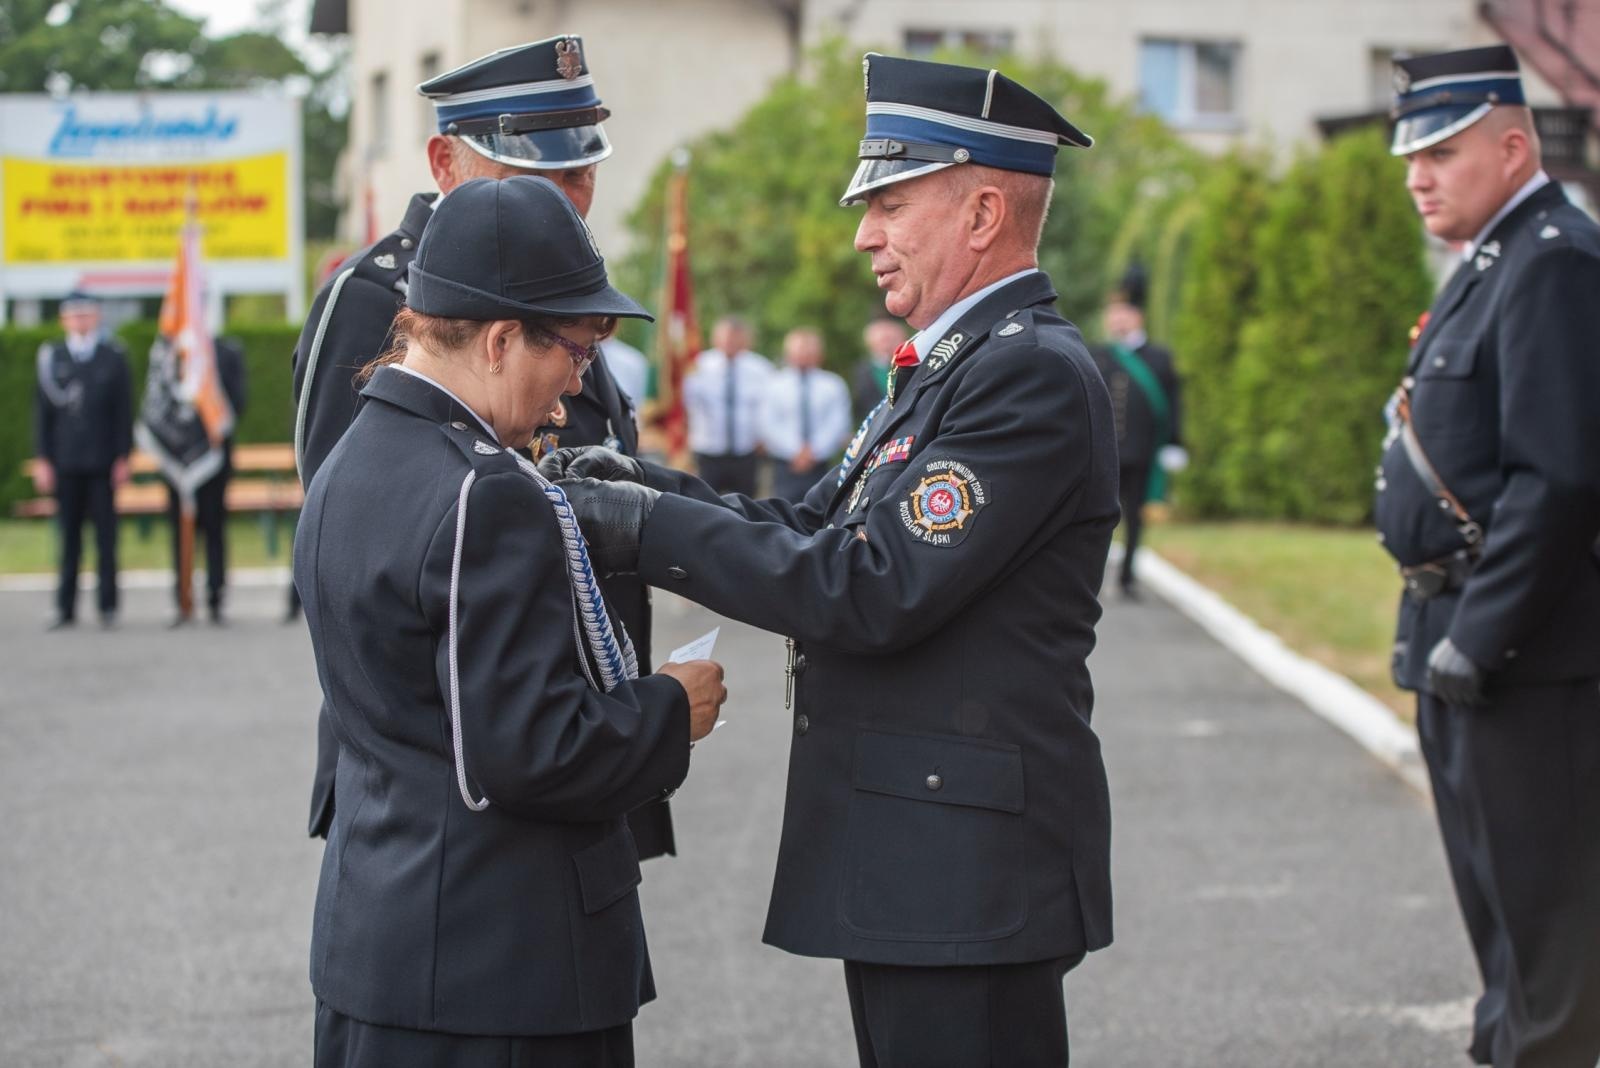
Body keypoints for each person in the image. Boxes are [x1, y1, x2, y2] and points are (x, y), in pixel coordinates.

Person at [555, 53, 1116, 1067]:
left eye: (891, 203)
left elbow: (869, 588)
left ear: (983, 213)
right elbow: (812, 523)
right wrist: (646, 487)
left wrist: (640, 531)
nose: (865, 234)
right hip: (927, 854)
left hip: (966, 868)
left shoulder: (1026, 376)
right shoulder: (950, 370)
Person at [294, 175, 725, 1067]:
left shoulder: (351, 459)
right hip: (504, 976)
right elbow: (531, 753)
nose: (578, 382)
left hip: (382, 948)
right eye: (573, 348)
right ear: (497, 340)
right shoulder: (486, 492)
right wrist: (668, 709)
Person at [291, 36, 676, 862]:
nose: (570, 201)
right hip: (451, 763)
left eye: (582, 174)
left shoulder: (561, 289)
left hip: (578, 713)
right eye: (539, 178)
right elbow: (360, 543)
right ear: (445, 162)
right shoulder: (378, 298)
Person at [1375, 45, 1600, 1068]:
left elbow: (1555, 478)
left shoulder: (1552, 257)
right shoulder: (1493, 261)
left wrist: (1482, 635)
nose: (1418, 174)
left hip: (1522, 656)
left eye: (1444, 152)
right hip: (1459, 640)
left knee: (1549, 936)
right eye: (1410, 155)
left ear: (1514, 147)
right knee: (1498, 922)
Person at [33, 291, 132, 630]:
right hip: (67, 463)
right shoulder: (52, 359)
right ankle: (65, 607)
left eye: (86, 314)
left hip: (103, 463)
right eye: (74, 315)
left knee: (106, 538)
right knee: (68, 539)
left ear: (97, 317)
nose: (80, 320)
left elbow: (123, 413)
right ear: (64, 320)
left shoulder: (112, 358)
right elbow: (42, 416)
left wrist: (123, 457)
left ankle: (107, 606)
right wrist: (43, 459)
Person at [1091, 265, 1184, 599]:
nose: (1117, 319)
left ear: (1139, 316)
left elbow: (1172, 404)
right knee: (1097, 518)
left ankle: (1128, 577)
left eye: (1125, 312)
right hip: (1104, 455)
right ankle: (1090, 578)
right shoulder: (1097, 355)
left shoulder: (1158, 358)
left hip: (1142, 453)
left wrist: (1174, 442)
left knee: (1135, 519)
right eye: (1113, 312)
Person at [162, 336, 247, 625]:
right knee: (179, 530)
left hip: (212, 454)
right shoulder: (169, 354)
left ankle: (215, 599)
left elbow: (239, 402)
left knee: (214, 529)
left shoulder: (225, 352)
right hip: (179, 455)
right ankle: (182, 600)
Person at [760, 327, 853, 502]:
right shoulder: (773, 384)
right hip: (785, 463)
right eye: (798, 350)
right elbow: (769, 423)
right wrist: (795, 451)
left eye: (808, 350)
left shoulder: (833, 384)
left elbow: (837, 424)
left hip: (821, 464)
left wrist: (813, 452)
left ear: (819, 354)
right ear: (788, 353)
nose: (803, 355)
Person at [681, 316, 770, 495]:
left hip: (746, 451)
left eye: (735, 336)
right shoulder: (698, 366)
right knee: (706, 502)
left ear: (746, 339)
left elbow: (768, 407)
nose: (730, 341)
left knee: (745, 506)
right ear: (715, 338)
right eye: (725, 336)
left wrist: (765, 436)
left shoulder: (761, 368)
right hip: (707, 449)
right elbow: (685, 403)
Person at [852, 315, 903, 422]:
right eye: (883, 340)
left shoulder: (911, 364)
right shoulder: (862, 370)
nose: (887, 344)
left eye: (890, 339)